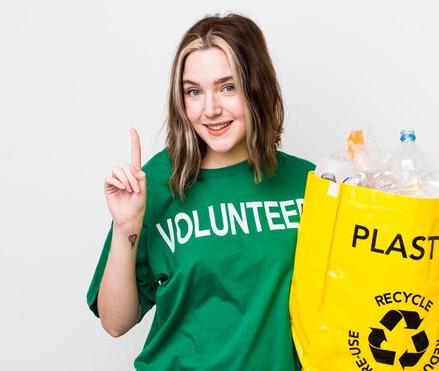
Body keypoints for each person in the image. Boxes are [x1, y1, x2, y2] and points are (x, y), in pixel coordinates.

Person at [87, 13, 315, 370]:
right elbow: (115, 322)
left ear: (257, 87)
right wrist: (126, 226)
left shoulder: (309, 184)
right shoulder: (159, 182)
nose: (210, 109)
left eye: (228, 87)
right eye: (194, 91)